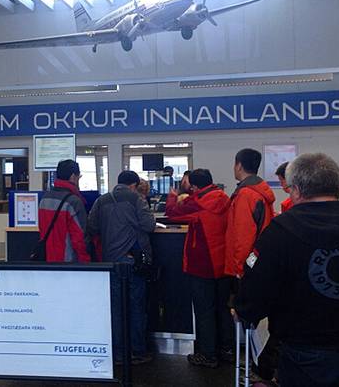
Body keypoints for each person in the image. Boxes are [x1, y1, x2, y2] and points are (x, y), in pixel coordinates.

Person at [234, 153, 339, 387]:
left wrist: (244, 310)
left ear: (297, 190)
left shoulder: (280, 230)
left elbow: (255, 289)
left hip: (306, 354)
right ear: (337, 186)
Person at [86, 170, 156, 365]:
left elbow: (92, 227)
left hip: (110, 261)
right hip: (133, 260)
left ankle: (117, 353)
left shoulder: (101, 201)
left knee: (115, 308)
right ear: (134, 185)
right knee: (136, 306)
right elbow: (149, 225)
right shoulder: (137, 199)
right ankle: (137, 351)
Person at [165, 169, 233, 368]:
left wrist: (172, 196)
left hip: (202, 263)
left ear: (194, 186)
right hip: (224, 262)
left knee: (204, 311)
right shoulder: (224, 198)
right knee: (222, 308)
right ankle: (227, 349)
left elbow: (172, 213)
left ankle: (207, 354)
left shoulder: (197, 203)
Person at [225, 148, 275, 278]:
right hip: (259, 258)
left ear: (239, 166)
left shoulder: (246, 194)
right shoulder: (259, 190)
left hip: (247, 267)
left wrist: (240, 269)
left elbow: (244, 236)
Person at [38, 159, 90, 263]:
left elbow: (42, 229)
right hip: (68, 262)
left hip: (48, 258)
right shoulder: (73, 202)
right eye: (78, 177)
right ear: (73, 177)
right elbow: (79, 238)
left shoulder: (44, 199)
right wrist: (86, 261)